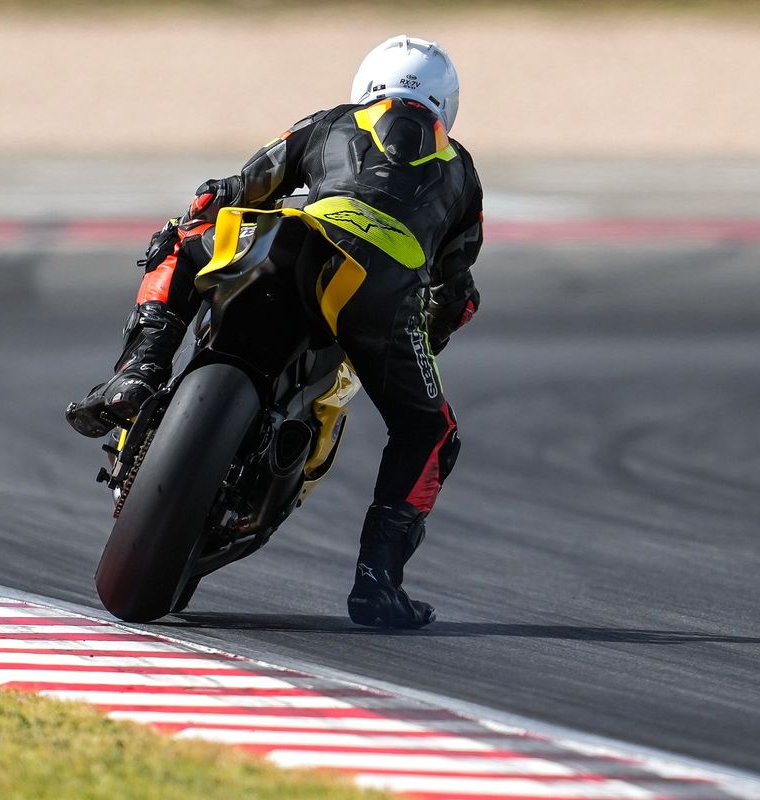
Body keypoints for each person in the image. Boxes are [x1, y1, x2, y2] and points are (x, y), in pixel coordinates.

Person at [67, 35, 483, 629]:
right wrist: (424, 337)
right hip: (376, 289)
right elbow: (456, 294)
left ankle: (138, 372)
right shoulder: (462, 170)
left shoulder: (331, 122)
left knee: (178, 244)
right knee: (430, 431)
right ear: (447, 105)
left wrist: (203, 214)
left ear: (367, 85)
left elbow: (234, 188)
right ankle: (376, 584)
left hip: (291, 239)